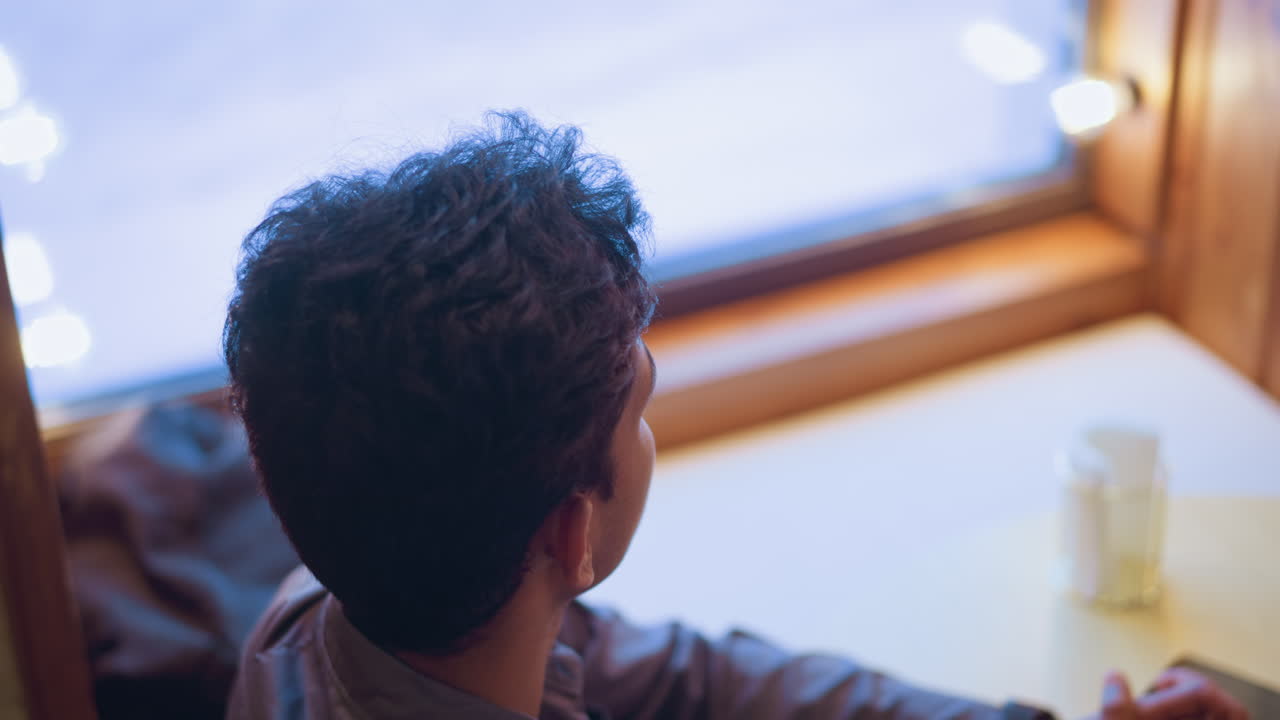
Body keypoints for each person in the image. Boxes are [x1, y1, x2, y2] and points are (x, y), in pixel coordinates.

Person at [222, 112, 1248, 720]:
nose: (649, 433)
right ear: (572, 535)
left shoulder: (322, 609)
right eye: (642, 414)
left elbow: (699, 680)